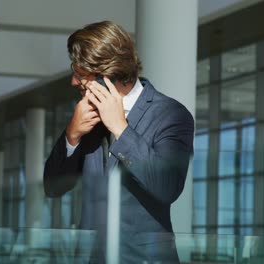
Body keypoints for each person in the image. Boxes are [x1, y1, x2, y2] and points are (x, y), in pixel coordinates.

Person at [43, 21, 194, 263]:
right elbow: (53, 188)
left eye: (81, 75)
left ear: (107, 76)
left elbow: (168, 187)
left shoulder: (172, 115)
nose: (74, 82)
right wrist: (72, 135)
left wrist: (121, 130)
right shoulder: (86, 117)